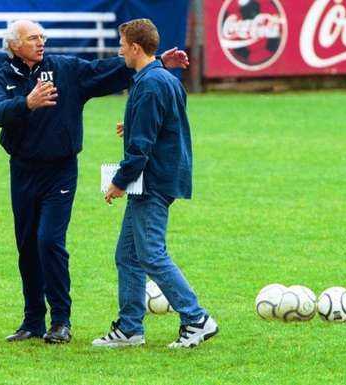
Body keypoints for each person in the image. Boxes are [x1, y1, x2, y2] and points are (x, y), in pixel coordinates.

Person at [0, 19, 189, 344]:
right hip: (22, 171)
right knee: (27, 246)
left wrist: (160, 60)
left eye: (43, 37)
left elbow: (110, 69)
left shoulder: (64, 70)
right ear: (14, 45)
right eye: (33, 38)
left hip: (60, 171)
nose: (41, 42)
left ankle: (61, 321)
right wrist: (27, 103)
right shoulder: (1, 78)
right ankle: (33, 321)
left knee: (49, 241)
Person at [92, 19, 218, 348]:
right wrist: (132, 121)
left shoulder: (148, 84)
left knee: (150, 254)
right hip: (162, 175)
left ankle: (196, 318)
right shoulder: (161, 78)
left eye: (122, 44)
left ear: (135, 47)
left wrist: (119, 182)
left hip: (153, 181)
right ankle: (131, 328)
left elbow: (141, 148)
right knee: (128, 255)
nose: (119, 51)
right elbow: (163, 121)